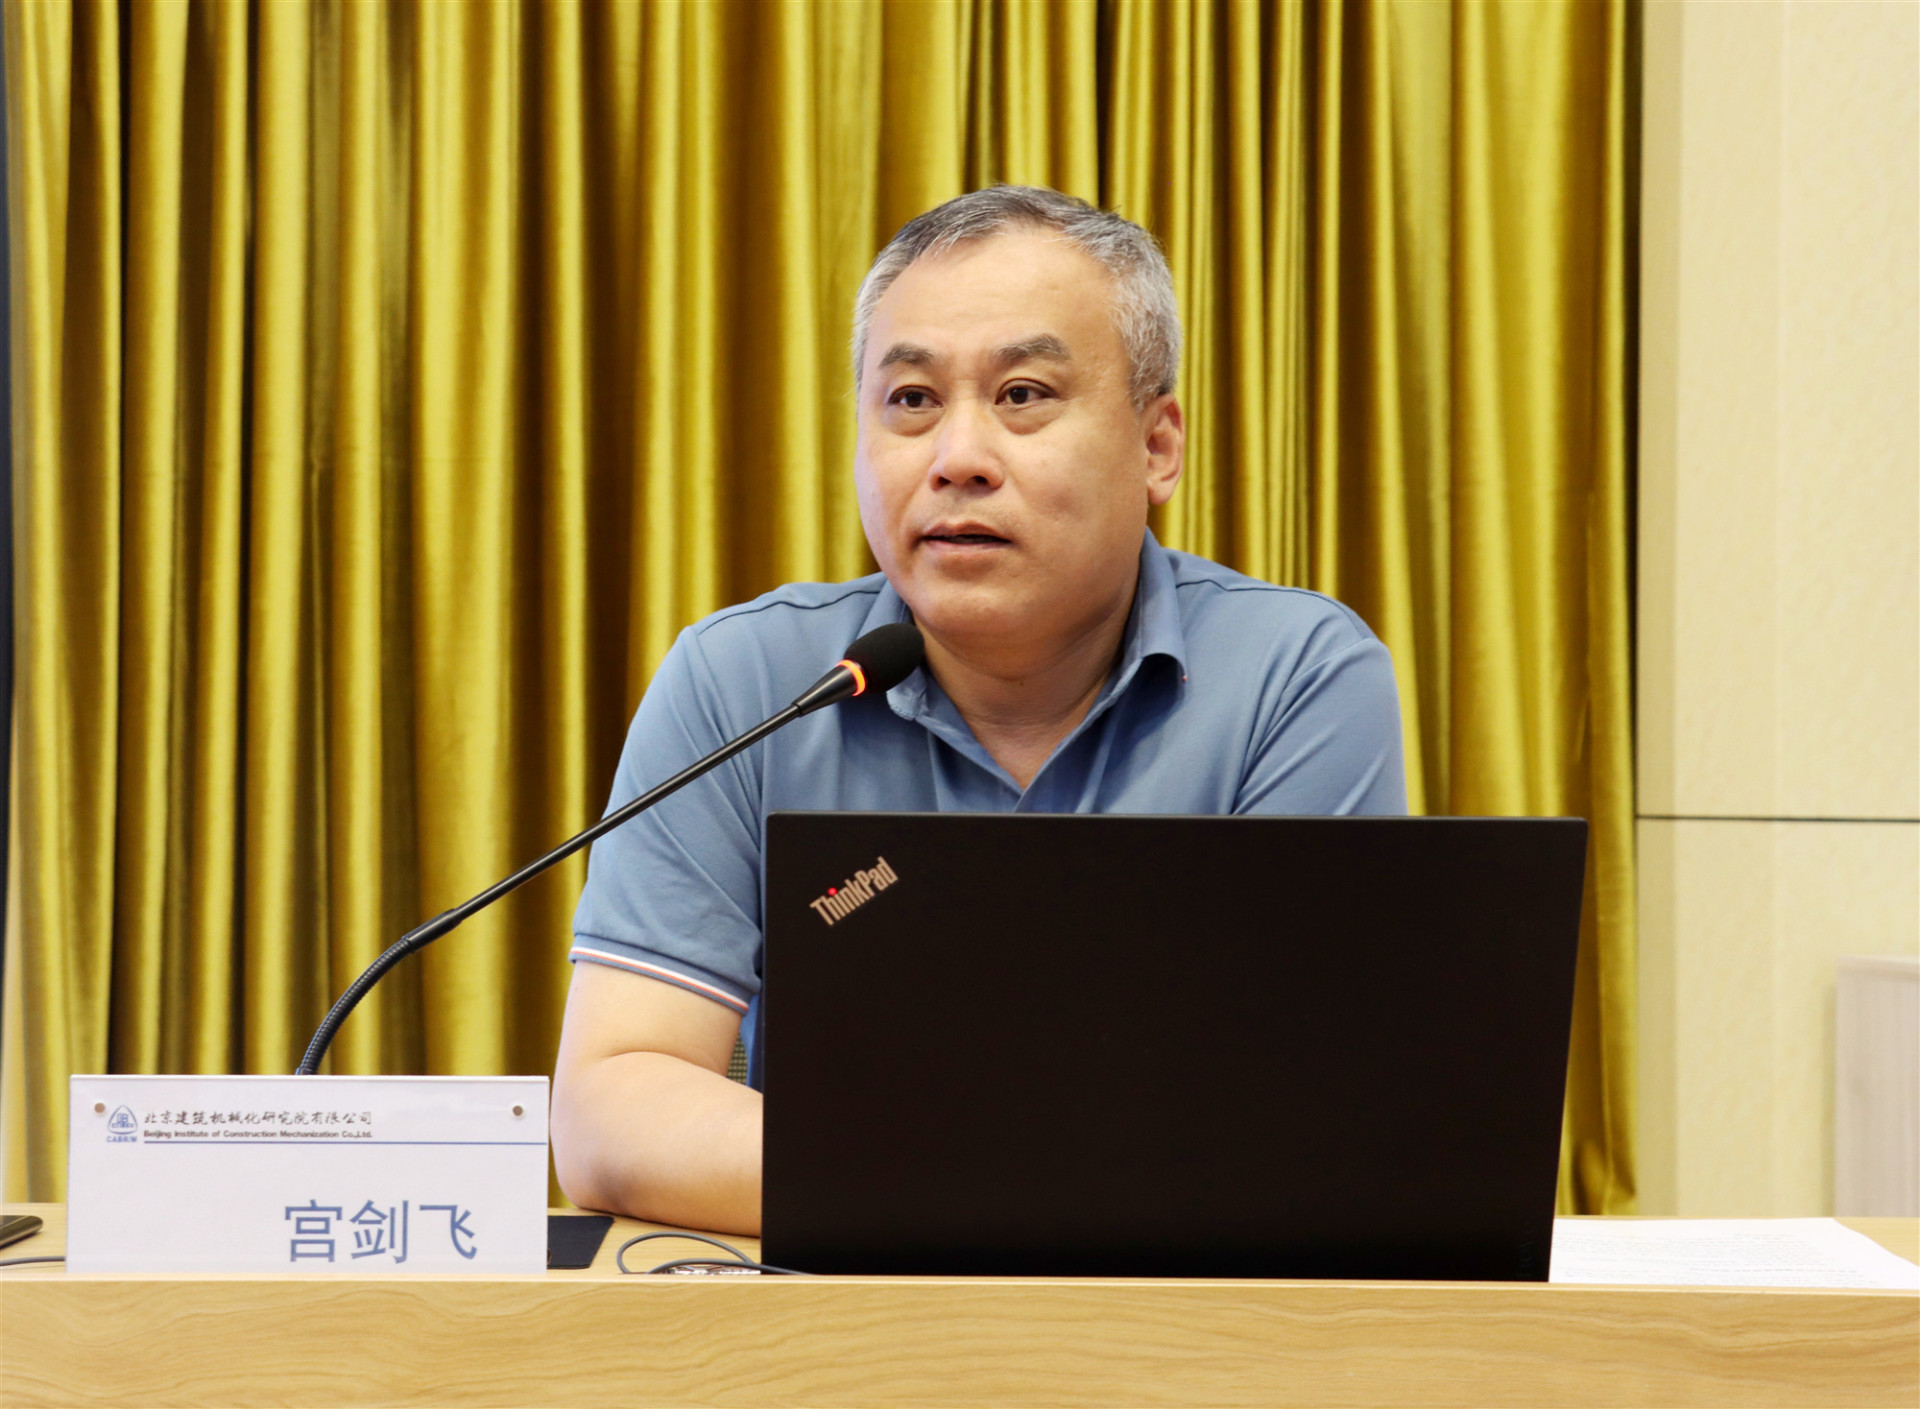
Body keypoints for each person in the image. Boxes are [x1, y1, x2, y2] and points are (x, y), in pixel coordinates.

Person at [551, 186, 1407, 1234]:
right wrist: (991, 1175)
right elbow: (610, 1107)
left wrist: (916, 1170)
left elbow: (1303, 1120)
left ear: (1157, 445)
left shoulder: (1294, 677)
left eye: (1023, 394)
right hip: (832, 1319)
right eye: (911, 400)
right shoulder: (746, 682)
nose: (957, 456)